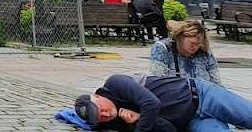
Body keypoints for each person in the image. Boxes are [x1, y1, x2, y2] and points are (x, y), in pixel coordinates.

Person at [75, 73, 252, 131]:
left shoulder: (115, 83)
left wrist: (141, 124)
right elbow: (168, 129)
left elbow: (151, 104)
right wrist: (136, 121)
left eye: (101, 109)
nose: (105, 114)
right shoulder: (118, 122)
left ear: (97, 96)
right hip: (191, 122)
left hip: (203, 95)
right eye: (100, 118)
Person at [150, 20, 221, 86]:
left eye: (198, 44)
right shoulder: (163, 48)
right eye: (192, 43)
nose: (195, 47)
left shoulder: (203, 49)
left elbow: (216, 81)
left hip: (204, 94)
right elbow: (157, 82)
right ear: (180, 38)